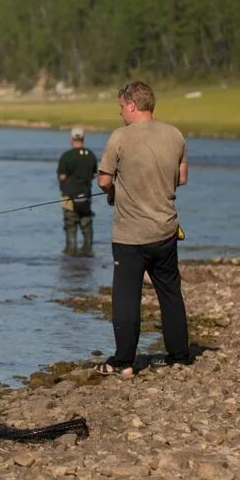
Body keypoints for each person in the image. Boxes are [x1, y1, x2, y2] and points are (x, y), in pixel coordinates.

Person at [96, 81, 191, 375]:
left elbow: (103, 181)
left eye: (121, 107)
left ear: (133, 105)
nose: (120, 112)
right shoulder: (175, 134)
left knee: (126, 297)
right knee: (170, 294)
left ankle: (124, 362)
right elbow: (182, 178)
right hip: (165, 230)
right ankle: (179, 356)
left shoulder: (120, 137)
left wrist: (113, 191)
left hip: (130, 235)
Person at [57, 126, 98, 256]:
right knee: (86, 224)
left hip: (68, 196)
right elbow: (94, 175)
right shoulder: (91, 155)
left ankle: (70, 251)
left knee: (70, 225)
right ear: (83, 138)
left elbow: (62, 176)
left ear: (71, 139)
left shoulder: (66, 156)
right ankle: (87, 250)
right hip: (86, 196)